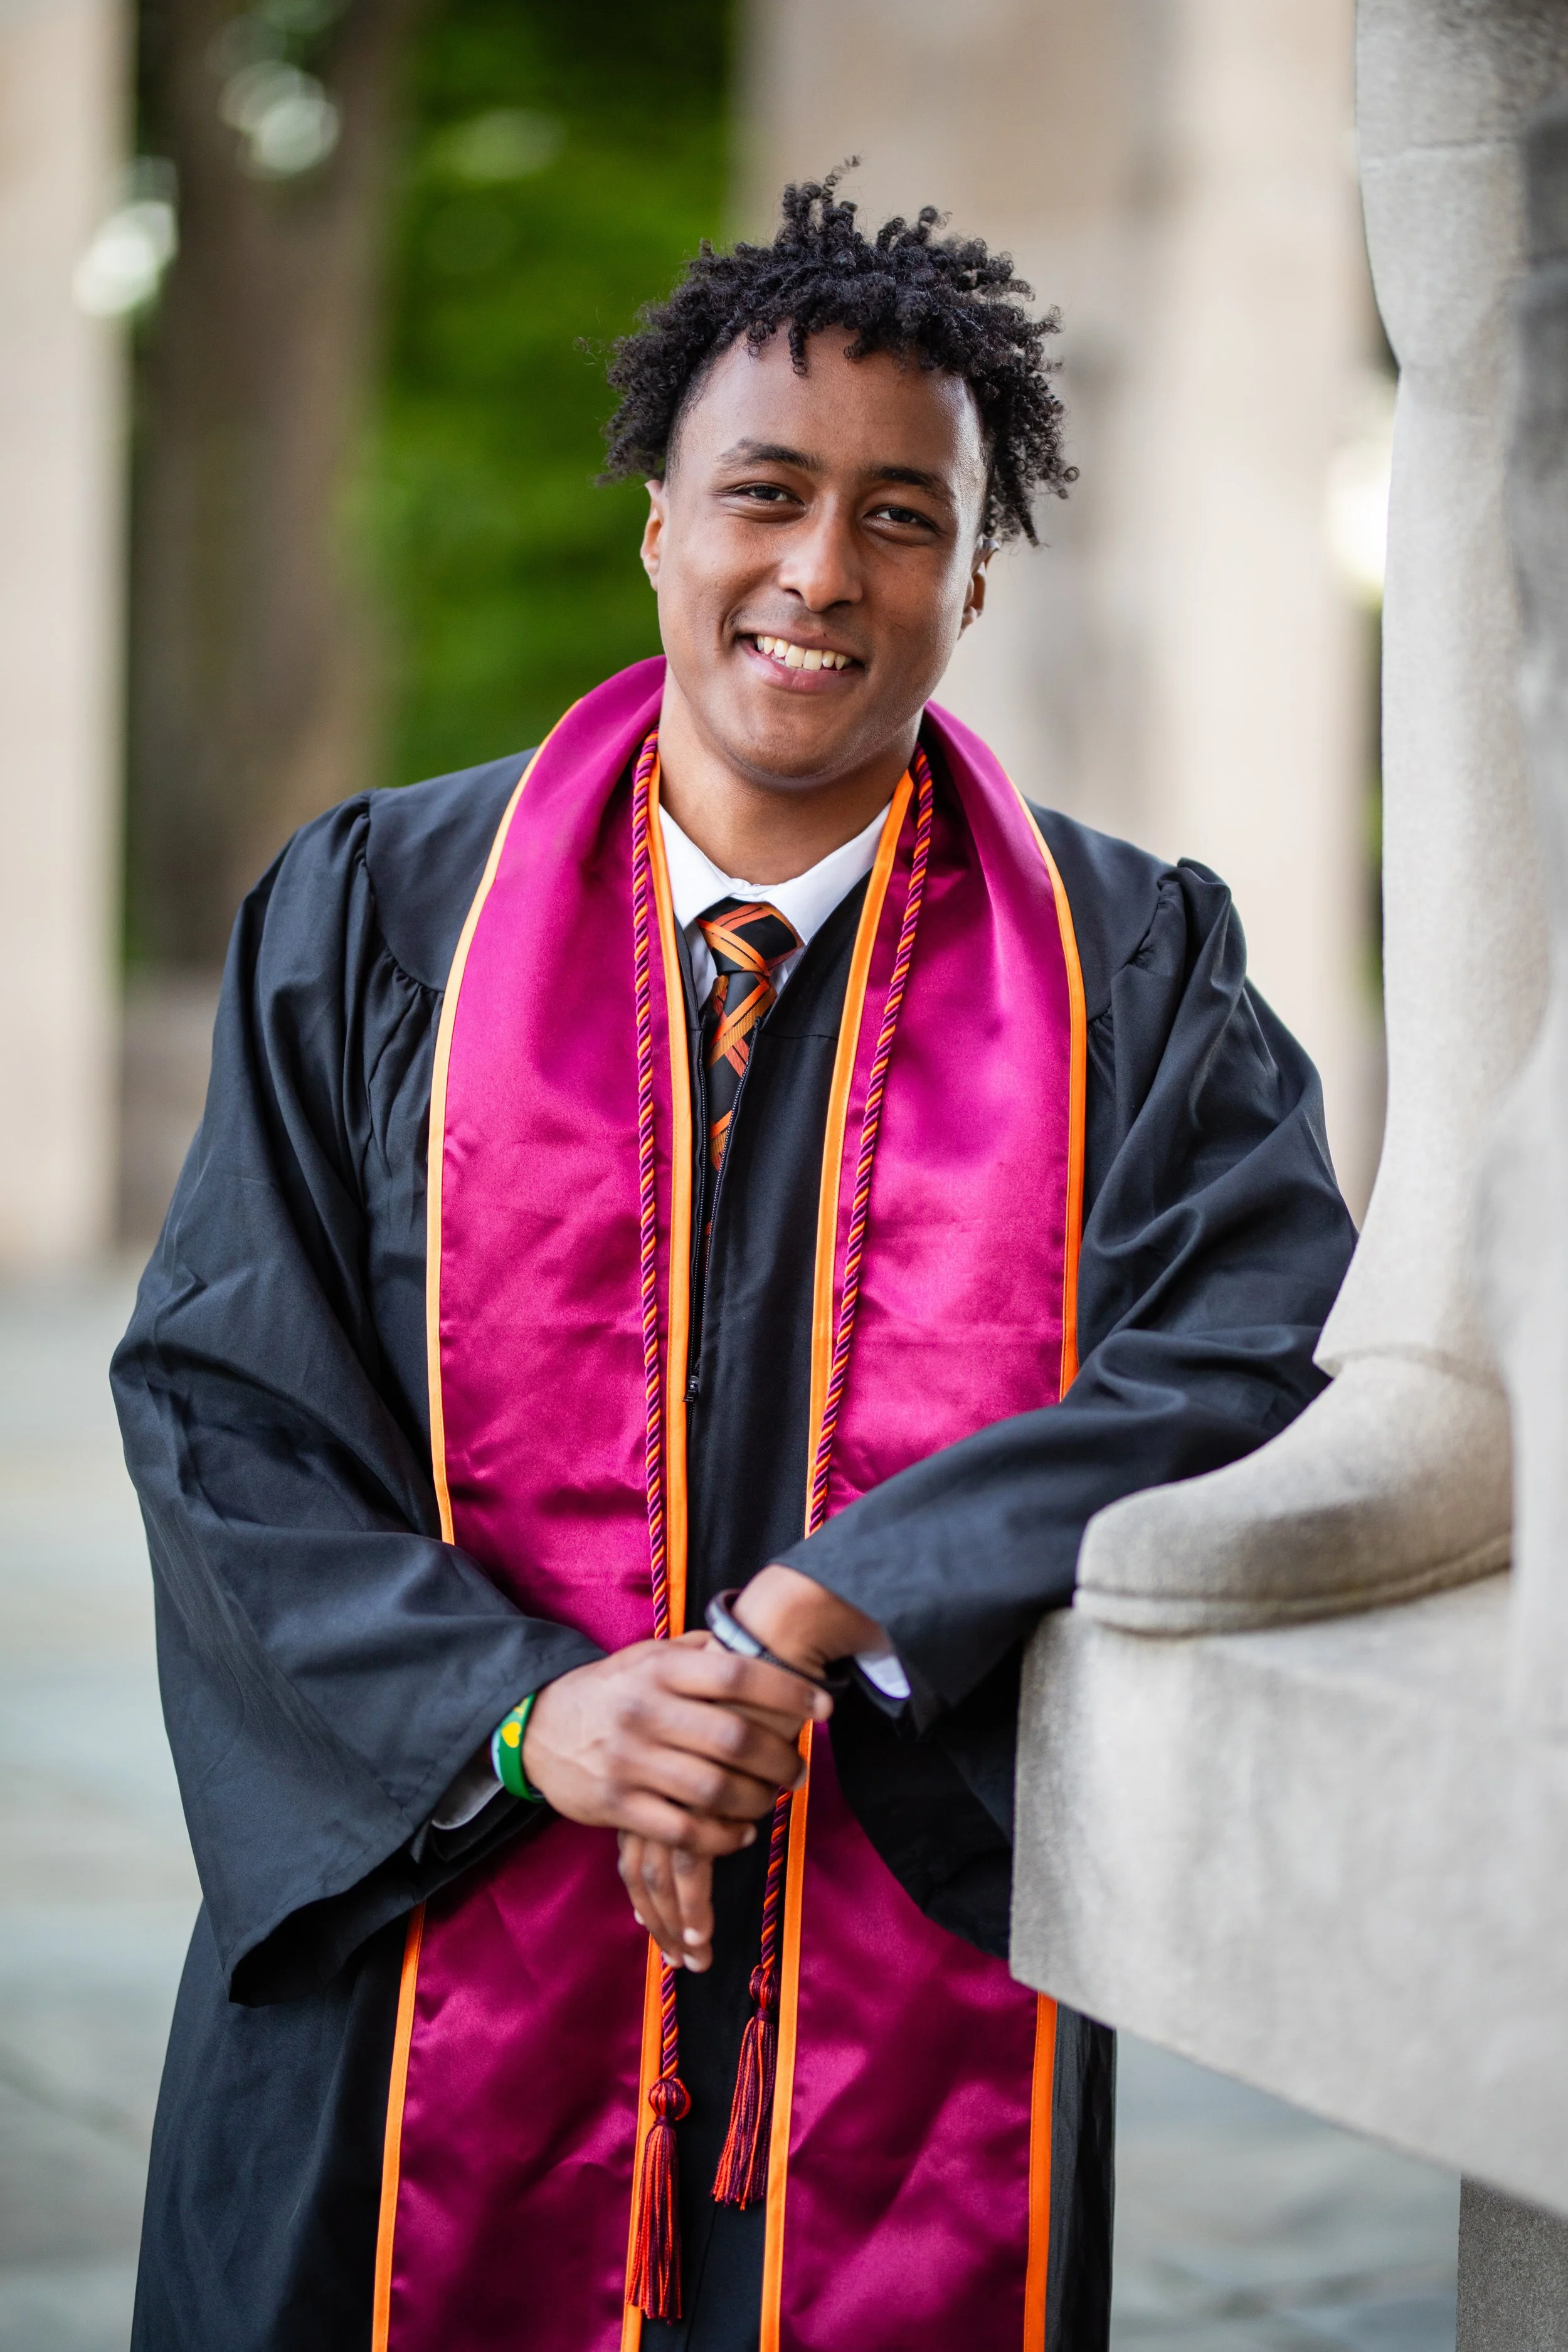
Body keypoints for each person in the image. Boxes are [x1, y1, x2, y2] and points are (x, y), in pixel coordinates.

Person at [113, 178, 1357, 2352]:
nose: (820, 570)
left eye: (900, 517)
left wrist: (823, 1609)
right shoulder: (377, 915)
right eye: (763, 494)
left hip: (893, 1961)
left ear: (974, 573)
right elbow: (227, 1403)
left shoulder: (1128, 967)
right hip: (436, 1960)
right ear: (658, 529)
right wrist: (529, 1715)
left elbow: (1249, 1349)